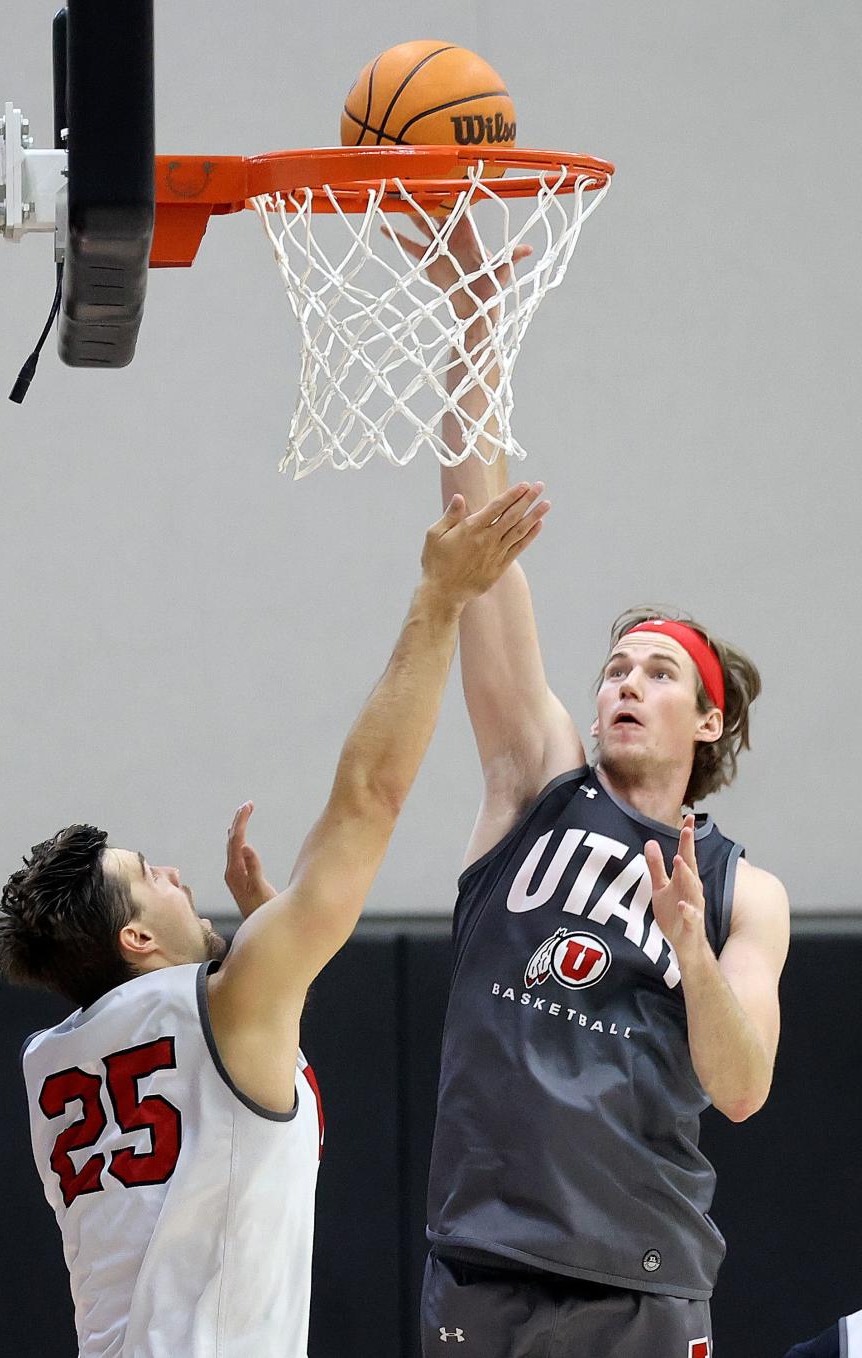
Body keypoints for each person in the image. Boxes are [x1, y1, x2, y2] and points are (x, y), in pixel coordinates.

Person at [0, 481, 549, 1358]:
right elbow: (369, 799)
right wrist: (441, 601)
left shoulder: (49, 1061)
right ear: (135, 940)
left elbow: (240, 1107)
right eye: (148, 876)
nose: (172, 871)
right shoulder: (225, 1008)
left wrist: (270, 957)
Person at [395, 216, 791, 1356]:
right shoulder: (535, 781)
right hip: (481, 1263)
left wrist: (695, 949)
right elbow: (480, 545)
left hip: (641, 1278)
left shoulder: (740, 889)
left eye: (657, 671)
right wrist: (473, 318)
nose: (624, 682)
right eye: (615, 665)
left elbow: (744, 1084)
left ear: (707, 719)